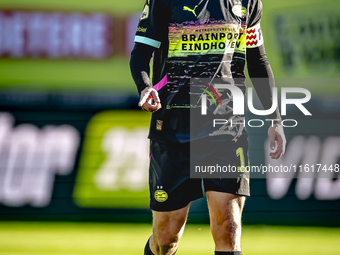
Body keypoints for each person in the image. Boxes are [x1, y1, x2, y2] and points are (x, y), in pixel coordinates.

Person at [130, 0, 286, 254]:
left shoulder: (249, 2)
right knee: (166, 239)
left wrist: (275, 119)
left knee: (229, 228)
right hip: (173, 127)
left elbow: (257, 61)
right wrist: (145, 86)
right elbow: (141, 53)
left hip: (227, 129)